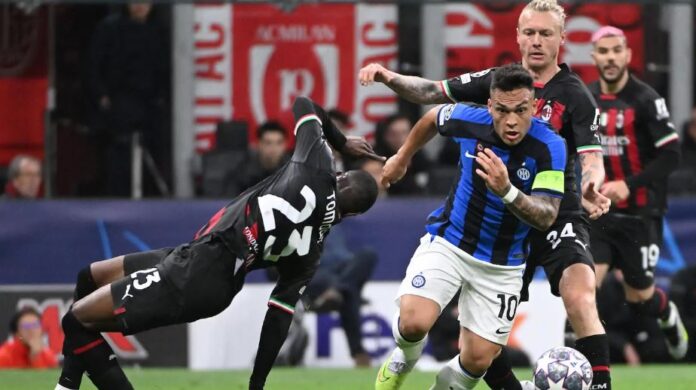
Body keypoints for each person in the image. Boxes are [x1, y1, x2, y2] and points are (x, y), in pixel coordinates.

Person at [359, 1, 613, 388]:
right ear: (517, 36)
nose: (537, 41)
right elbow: (432, 96)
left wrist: (594, 182)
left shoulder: (575, 97)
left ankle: (601, 385)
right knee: (478, 349)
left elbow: (592, 156)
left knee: (580, 293)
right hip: (496, 219)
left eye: (546, 33)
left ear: (562, 39)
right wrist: (388, 77)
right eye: (529, 33)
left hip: (553, 208)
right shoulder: (496, 82)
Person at [54, 97, 383, 390]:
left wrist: (340, 141)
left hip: (196, 273)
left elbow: (303, 104)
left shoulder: (315, 163)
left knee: (75, 321)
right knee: (90, 277)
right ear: (350, 215)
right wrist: (258, 383)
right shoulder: (312, 249)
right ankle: (67, 385)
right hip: (206, 268)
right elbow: (279, 316)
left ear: (340, 177)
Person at [375, 64, 567, 390]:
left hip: (503, 265)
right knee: (413, 323)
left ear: (533, 107)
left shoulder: (550, 146)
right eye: (502, 110)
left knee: (478, 359)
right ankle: (404, 357)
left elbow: (547, 214)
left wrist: (506, 190)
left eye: (520, 111)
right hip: (451, 242)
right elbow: (431, 118)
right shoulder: (468, 118)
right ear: (490, 105)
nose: (511, 121)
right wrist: (402, 157)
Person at [587, 25, 688, 361]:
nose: (611, 57)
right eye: (604, 51)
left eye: (617, 50)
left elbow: (671, 154)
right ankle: (578, 368)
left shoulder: (646, 100)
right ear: (594, 57)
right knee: (582, 290)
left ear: (628, 55)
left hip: (639, 215)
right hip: (598, 215)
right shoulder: (585, 99)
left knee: (639, 297)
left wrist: (628, 185)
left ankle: (666, 313)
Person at [88, 1, 166, 196]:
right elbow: (93, 66)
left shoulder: (159, 31)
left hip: (151, 107)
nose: (140, 6)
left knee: (152, 155)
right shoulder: (110, 28)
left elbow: (166, 70)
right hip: (120, 104)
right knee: (120, 157)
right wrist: (102, 96)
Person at [305, 224, 378, 367]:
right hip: (315, 274)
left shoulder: (333, 226)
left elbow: (344, 256)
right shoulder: (296, 227)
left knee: (368, 254)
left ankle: (336, 289)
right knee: (349, 291)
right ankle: (358, 352)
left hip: (344, 270)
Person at [374, 113, 431, 195]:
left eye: (405, 132)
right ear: (385, 136)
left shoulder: (420, 158)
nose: (400, 138)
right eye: (394, 134)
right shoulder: (377, 159)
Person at [230, 121, 290, 196]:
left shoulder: (292, 171)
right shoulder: (243, 172)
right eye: (268, 143)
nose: (274, 149)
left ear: (285, 145)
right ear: (259, 144)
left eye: (279, 143)